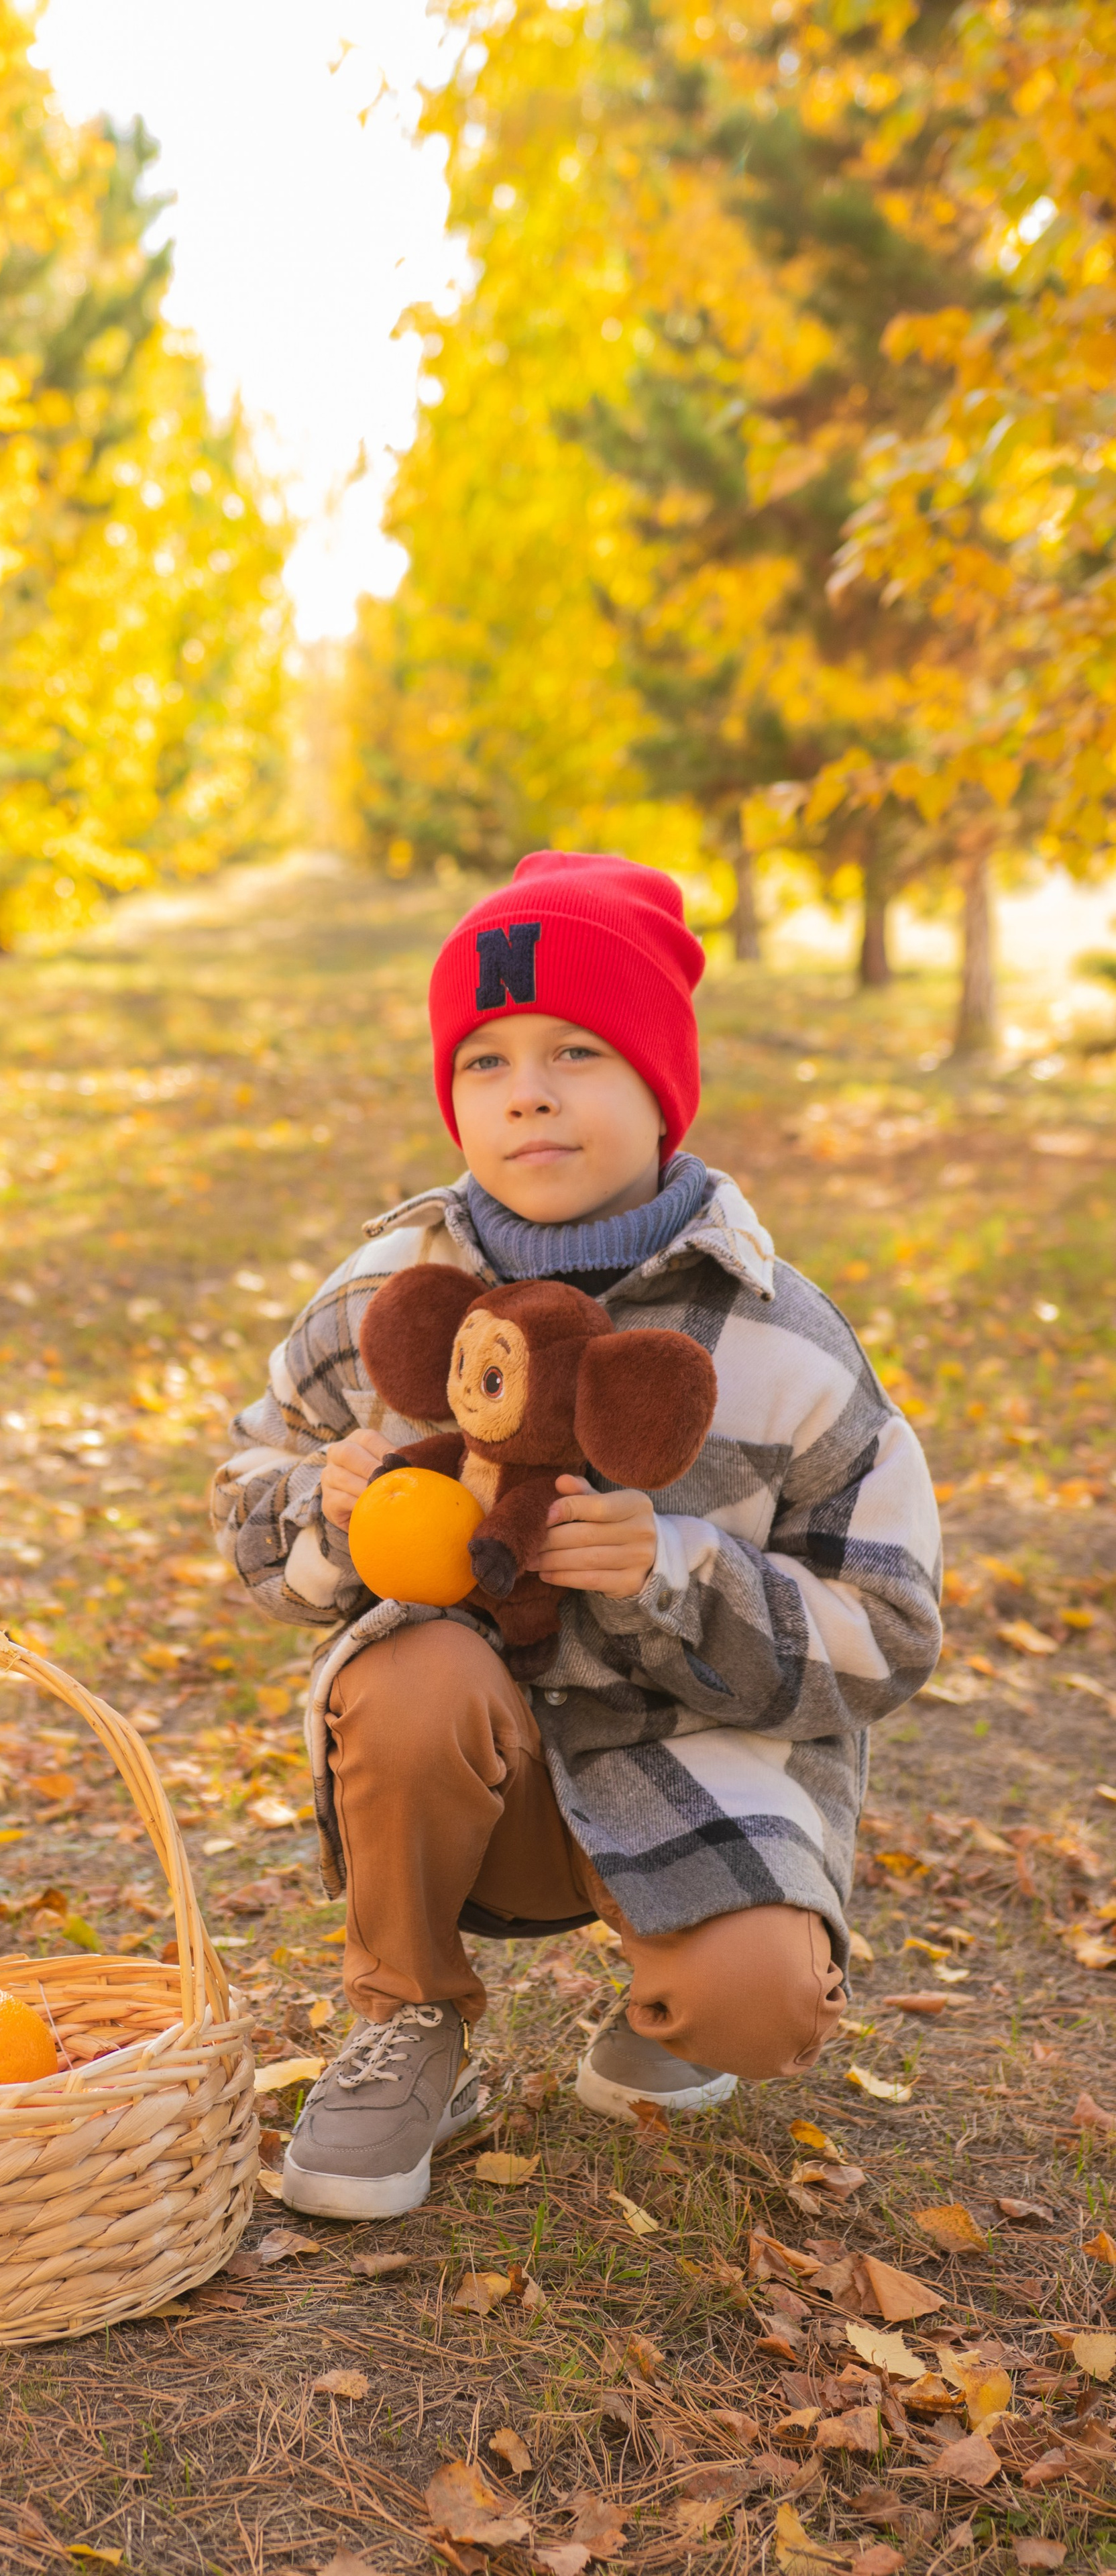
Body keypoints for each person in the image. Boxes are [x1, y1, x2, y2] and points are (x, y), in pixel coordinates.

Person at [211, 850, 942, 2220]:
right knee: (409, 1673)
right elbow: (247, 1484)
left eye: (576, 1052)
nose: (527, 1091)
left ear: (661, 1084)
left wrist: (680, 1571)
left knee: (759, 2004)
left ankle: (677, 2003)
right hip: (459, 1766)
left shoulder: (779, 1339)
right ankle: (410, 2018)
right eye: (483, 1061)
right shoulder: (388, 1295)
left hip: (691, 1770)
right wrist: (322, 1506)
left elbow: (891, 1630)